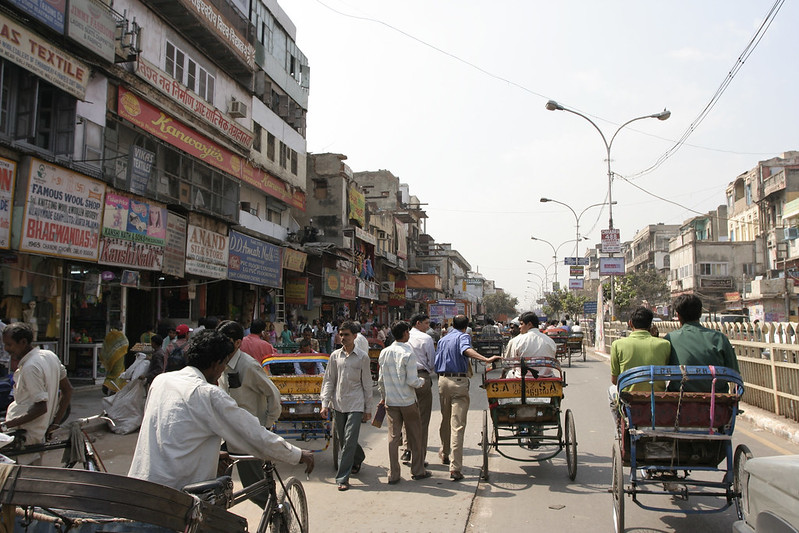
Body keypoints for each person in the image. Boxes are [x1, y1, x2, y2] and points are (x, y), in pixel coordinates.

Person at [128, 330, 314, 490]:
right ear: (216, 364)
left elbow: (172, 430)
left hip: (141, 485)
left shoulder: (161, 381)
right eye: (224, 363)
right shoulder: (208, 394)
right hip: (180, 494)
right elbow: (252, 434)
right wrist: (297, 454)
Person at [216, 320, 283, 507]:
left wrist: (266, 426)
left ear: (238, 343)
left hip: (248, 436)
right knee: (215, 488)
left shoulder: (248, 365)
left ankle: (278, 518)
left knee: (257, 491)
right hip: (225, 435)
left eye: (226, 340)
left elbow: (273, 395)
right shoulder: (220, 363)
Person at [434, 314, 501, 481]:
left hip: (442, 380)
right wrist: (485, 358)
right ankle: (455, 468)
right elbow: (466, 350)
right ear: (466, 327)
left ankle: (444, 452)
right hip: (458, 382)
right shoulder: (463, 336)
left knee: (445, 419)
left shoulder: (444, 339)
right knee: (457, 425)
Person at [2, 323, 72, 462]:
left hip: (25, 436)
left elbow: (40, 407)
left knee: (21, 478)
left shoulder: (31, 367)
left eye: (9, 345)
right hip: (34, 434)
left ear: (23, 342)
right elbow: (68, 389)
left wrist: (5, 426)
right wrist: (54, 424)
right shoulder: (49, 356)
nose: (6, 349)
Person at [320, 320, 372, 491]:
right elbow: (329, 380)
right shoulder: (335, 356)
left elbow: (367, 384)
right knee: (343, 439)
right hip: (339, 403)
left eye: (346, 335)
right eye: (341, 335)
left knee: (349, 440)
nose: (343, 338)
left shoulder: (363, 357)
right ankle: (359, 456)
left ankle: (343, 478)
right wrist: (324, 403)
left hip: (356, 403)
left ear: (355, 336)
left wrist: (368, 409)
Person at [378, 321, 430, 484]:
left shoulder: (384, 352)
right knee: (415, 435)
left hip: (391, 401)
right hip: (407, 401)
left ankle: (393, 474)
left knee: (393, 437)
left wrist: (384, 396)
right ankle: (418, 470)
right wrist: (422, 381)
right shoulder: (408, 353)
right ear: (405, 333)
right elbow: (412, 380)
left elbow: (380, 380)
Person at [665, 294, 740, 393]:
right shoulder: (719, 338)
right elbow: (734, 373)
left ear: (678, 316)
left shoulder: (670, 339)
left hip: (680, 400)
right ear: (700, 313)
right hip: (717, 400)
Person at [610, 307, 671, 392]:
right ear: (650, 325)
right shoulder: (665, 344)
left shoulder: (617, 345)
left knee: (611, 390)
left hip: (629, 398)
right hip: (657, 398)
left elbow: (614, 380)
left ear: (630, 323)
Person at [401, 313, 435, 465]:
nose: (428, 327)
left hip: (404, 379)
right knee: (422, 419)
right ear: (418, 323)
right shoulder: (426, 339)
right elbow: (432, 361)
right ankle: (419, 456)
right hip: (421, 377)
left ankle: (408, 449)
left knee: (407, 415)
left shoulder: (403, 339)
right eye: (426, 323)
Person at [503, 311, 557, 378]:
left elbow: (513, 362)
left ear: (529, 324)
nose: (519, 327)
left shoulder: (517, 340)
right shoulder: (550, 341)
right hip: (546, 378)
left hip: (522, 379)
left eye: (521, 324)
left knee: (509, 373)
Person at [100, 324, 129, 395]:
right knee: (118, 372)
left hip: (110, 357)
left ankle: (107, 385)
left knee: (112, 372)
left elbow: (105, 345)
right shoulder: (120, 335)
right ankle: (114, 388)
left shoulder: (110, 335)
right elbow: (126, 343)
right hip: (119, 357)